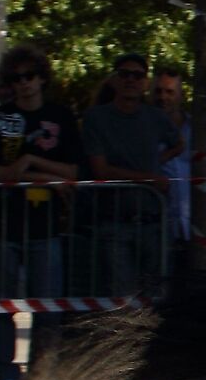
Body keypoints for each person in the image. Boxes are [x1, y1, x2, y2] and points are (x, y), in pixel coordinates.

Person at [0, 45, 83, 380]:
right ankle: (6, 372)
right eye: (16, 78)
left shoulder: (61, 117)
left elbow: (73, 170)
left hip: (46, 226)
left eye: (29, 76)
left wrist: (31, 163)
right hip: (3, 224)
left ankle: (43, 374)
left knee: (48, 306)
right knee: (2, 302)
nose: (24, 84)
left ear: (42, 78)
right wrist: (30, 173)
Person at [81, 52, 183, 296]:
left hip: (152, 221)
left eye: (137, 75)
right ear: (115, 79)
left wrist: (158, 161)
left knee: (157, 298)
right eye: (124, 74)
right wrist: (149, 178)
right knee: (121, 302)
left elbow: (179, 143)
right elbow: (101, 170)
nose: (131, 80)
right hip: (115, 221)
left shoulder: (155, 117)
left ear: (145, 82)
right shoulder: (96, 118)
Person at [153, 62, 192, 261]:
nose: (163, 97)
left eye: (169, 92)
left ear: (181, 95)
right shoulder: (144, 129)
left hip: (193, 228)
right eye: (158, 91)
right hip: (156, 228)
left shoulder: (199, 130)